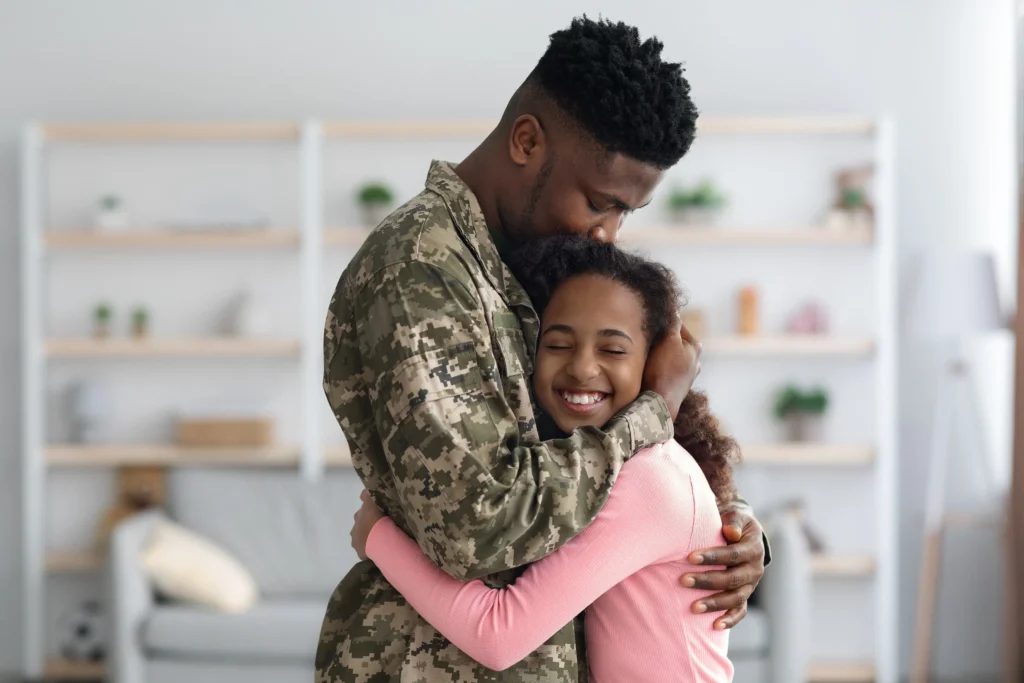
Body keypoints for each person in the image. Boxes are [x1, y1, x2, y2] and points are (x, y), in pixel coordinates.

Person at [317, 16, 767, 683]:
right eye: (598, 201)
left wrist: (721, 523)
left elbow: (590, 452)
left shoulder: (538, 267)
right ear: (527, 140)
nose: (608, 233)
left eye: (625, 215)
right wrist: (652, 411)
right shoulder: (418, 268)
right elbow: (475, 524)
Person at [350, 236, 739, 682]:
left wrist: (376, 535)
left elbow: (499, 633)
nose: (582, 367)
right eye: (558, 345)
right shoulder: (577, 463)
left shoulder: (648, 476)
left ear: (651, 364)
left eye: (612, 349)